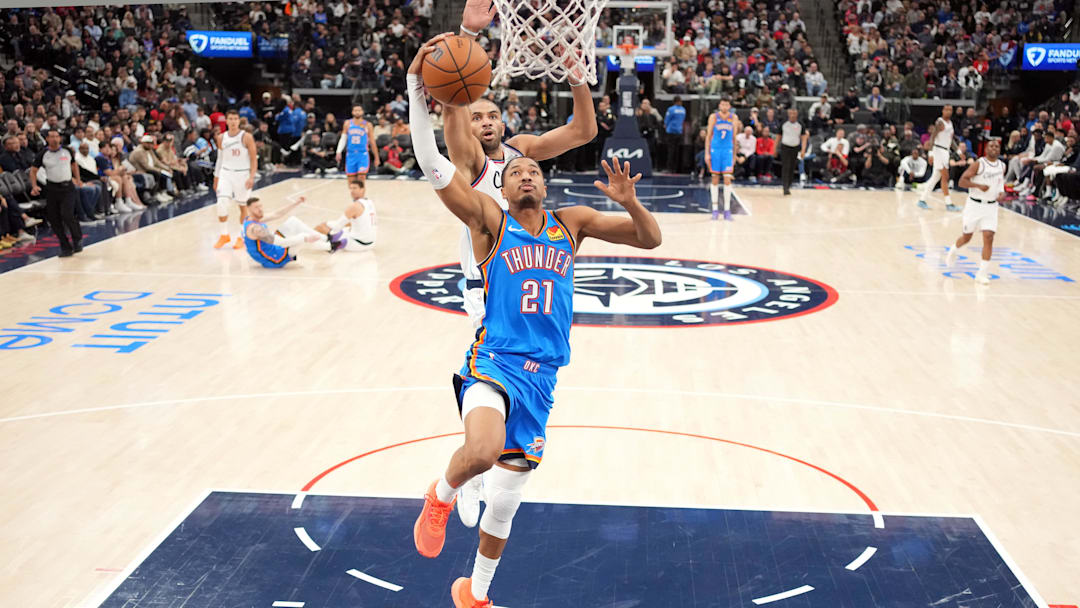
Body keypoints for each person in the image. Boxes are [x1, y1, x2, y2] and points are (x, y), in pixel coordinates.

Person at [406, 36, 662, 608]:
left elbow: (646, 233)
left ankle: (475, 592)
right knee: (482, 448)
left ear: (543, 179)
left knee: (507, 501)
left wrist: (628, 199)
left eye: (532, 171)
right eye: (477, 114)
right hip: (492, 334)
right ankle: (446, 492)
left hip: (542, 371)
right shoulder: (483, 195)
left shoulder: (567, 218)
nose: (524, 173)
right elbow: (438, 152)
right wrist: (436, 86)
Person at [944, 139, 1005, 285]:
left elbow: (999, 183)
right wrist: (978, 185)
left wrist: (1002, 193)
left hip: (991, 207)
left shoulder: (1002, 165)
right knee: (967, 237)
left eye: (997, 146)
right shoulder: (979, 164)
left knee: (989, 236)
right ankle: (953, 250)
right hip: (974, 205)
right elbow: (962, 181)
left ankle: (982, 273)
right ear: (986, 149)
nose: (994, 148)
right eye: (991, 146)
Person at [242, 196, 345, 268]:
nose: (260, 209)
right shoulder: (255, 229)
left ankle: (325, 238)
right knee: (302, 237)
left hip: (271, 249)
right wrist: (305, 238)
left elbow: (277, 214)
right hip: (273, 258)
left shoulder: (253, 219)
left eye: (261, 206)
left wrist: (296, 203)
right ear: (248, 209)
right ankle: (330, 246)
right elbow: (281, 243)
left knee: (293, 222)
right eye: (256, 207)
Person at [29, 129, 83, 257]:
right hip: (52, 189)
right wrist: (34, 185)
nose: (54, 139)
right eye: (51, 137)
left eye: (56, 136)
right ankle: (65, 247)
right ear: (47, 139)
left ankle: (77, 239)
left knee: (67, 214)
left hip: (67, 188)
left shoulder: (67, 150)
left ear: (60, 138)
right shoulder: (43, 154)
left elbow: (74, 165)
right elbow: (33, 170)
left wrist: (78, 180)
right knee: (54, 219)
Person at [213, 110, 259, 249]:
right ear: (226, 121)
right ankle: (224, 235)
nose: (233, 121)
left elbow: (253, 158)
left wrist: (252, 176)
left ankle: (241, 236)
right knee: (221, 204)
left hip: (242, 174)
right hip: (226, 173)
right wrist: (216, 178)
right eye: (230, 119)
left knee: (242, 206)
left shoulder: (246, 137)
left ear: (239, 121)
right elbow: (220, 160)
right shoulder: (221, 138)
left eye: (235, 119)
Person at [916, 105, 958, 211]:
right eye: (946, 109)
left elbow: (950, 140)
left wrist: (958, 150)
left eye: (950, 110)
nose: (948, 111)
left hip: (945, 151)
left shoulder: (950, 124)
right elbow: (932, 137)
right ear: (943, 111)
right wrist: (930, 153)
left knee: (935, 177)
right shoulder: (940, 122)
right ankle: (948, 204)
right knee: (945, 177)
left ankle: (922, 200)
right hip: (938, 150)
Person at [706, 98, 740, 220]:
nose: (724, 106)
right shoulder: (713, 117)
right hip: (715, 150)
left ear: (729, 106)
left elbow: (734, 138)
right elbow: (708, 136)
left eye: (727, 104)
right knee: (714, 179)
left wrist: (735, 154)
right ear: (719, 105)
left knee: (727, 179)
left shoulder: (734, 117)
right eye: (722, 104)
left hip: (728, 151)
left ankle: (727, 210)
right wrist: (707, 153)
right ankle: (715, 210)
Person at [336, 105, 379, 183]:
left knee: (361, 178)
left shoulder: (368, 125)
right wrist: (338, 151)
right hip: (351, 154)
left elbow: (372, 142)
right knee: (351, 181)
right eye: (355, 110)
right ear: (352, 112)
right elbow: (343, 138)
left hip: (362, 154)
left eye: (359, 110)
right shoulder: (347, 123)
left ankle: (361, 195)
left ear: (362, 112)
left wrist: (376, 157)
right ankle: (354, 194)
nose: (357, 112)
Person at [779, 108, 808, 195]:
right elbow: (778, 136)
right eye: (791, 113)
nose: (792, 115)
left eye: (794, 113)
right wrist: (774, 149)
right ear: (788, 114)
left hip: (795, 147)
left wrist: (803, 150)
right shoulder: (783, 123)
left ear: (797, 114)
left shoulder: (800, 124)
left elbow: (804, 138)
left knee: (792, 167)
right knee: (786, 167)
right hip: (785, 147)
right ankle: (785, 187)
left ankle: (789, 185)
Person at [663, 96, 686, 172]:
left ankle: (669, 168)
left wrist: (665, 126)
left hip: (671, 132)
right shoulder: (683, 110)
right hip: (679, 132)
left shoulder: (671, 109)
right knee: (677, 151)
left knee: (671, 151)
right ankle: (675, 169)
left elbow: (667, 120)